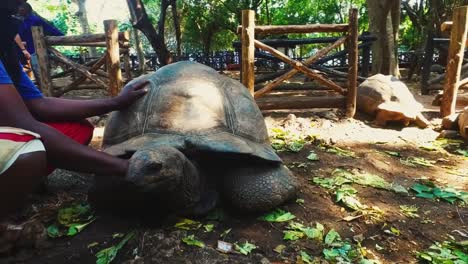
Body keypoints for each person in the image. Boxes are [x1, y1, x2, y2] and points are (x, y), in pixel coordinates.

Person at [0, 0, 149, 216]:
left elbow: (39, 104)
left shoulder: (6, 54)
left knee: (76, 128)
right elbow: (21, 121)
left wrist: (115, 102)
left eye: (21, 10)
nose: (20, 14)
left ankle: (20, 179)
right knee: (27, 153)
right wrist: (124, 167)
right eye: (13, 10)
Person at [15, 2, 64, 85]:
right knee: (35, 72)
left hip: (36, 50)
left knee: (39, 72)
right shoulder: (21, 21)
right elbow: (18, 35)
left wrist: (61, 38)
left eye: (20, 8)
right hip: (27, 51)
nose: (17, 10)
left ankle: (45, 91)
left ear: (24, 9)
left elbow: (51, 30)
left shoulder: (34, 20)